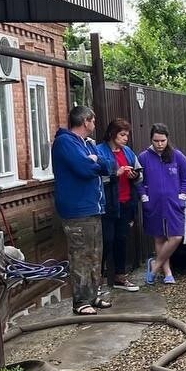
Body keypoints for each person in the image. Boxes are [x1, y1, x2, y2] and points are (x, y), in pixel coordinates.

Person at [51, 105, 116, 315]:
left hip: (94, 207)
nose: (95, 125)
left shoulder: (87, 144)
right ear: (85, 121)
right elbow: (84, 169)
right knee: (80, 255)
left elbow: (109, 164)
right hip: (77, 210)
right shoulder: (65, 142)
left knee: (95, 254)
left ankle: (93, 294)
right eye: (93, 121)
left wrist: (96, 160)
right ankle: (80, 302)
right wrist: (94, 163)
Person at [138, 123, 186, 286]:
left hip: (174, 203)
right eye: (156, 141)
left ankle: (154, 267)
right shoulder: (143, 157)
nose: (160, 144)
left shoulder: (178, 156)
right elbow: (138, 181)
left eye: (162, 140)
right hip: (153, 203)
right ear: (151, 140)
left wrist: (182, 197)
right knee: (160, 237)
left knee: (175, 236)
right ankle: (168, 272)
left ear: (167, 139)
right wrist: (144, 197)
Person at [97, 118, 143, 292]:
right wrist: (116, 173)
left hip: (126, 202)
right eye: (122, 135)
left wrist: (134, 176)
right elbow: (96, 178)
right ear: (112, 133)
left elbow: (140, 174)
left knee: (122, 239)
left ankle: (120, 276)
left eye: (127, 135)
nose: (126, 139)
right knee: (106, 240)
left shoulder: (129, 152)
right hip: (107, 204)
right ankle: (99, 278)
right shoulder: (99, 151)